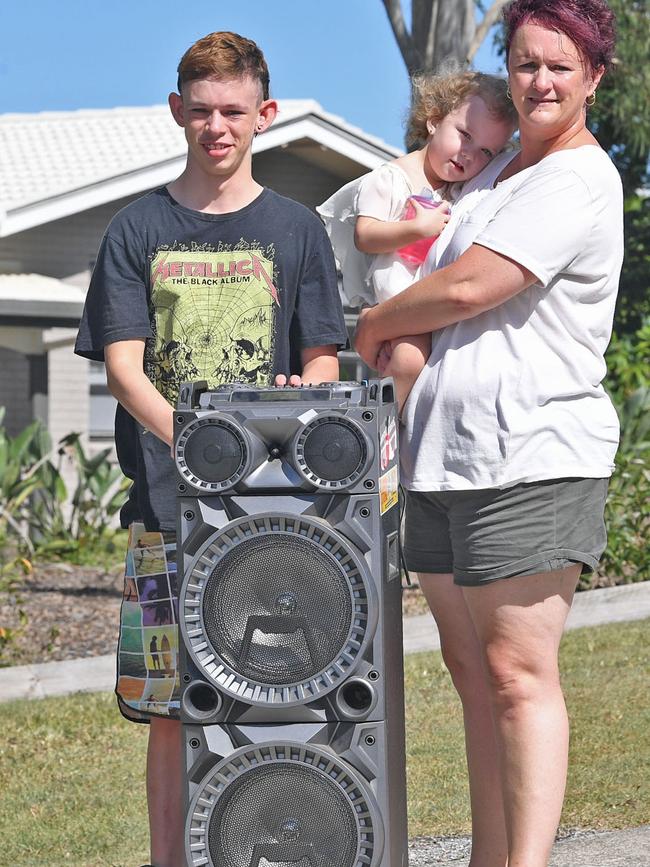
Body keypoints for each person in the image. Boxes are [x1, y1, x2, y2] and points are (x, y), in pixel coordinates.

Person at [354, 1, 622, 865]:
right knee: (475, 682)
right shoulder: (497, 169)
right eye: (525, 61)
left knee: (517, 676)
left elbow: (472, 287)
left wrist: (375, 324)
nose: (539, 79)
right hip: (442, 456)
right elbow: (428, 264)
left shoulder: (580, 178)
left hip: (532, 456)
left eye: (559, 65)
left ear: (593, 76)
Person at [75, 31, 346, 867]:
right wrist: (200, 452)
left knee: (285, 695)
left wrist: (282, 438)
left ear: (264, 114)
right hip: (166, 511)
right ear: (176, 113)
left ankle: (280, 846)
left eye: (234, 111)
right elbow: (126, 370)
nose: (216, 128)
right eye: (201, 111)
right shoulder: (135, 229)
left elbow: (321, 359)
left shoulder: (298, 230)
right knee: (170, 708)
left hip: (279, 515)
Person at [318, 70, 517, 408]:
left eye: (486, 151)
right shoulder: (390, 179)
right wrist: (416, 228)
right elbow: (365, 235)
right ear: (434, 119)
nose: (469, 154)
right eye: (464, 135)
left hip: (432, 306)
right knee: (408, 360)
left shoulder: (457, 192)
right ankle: (385, 427)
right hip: (396, 302)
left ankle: (403, 419)